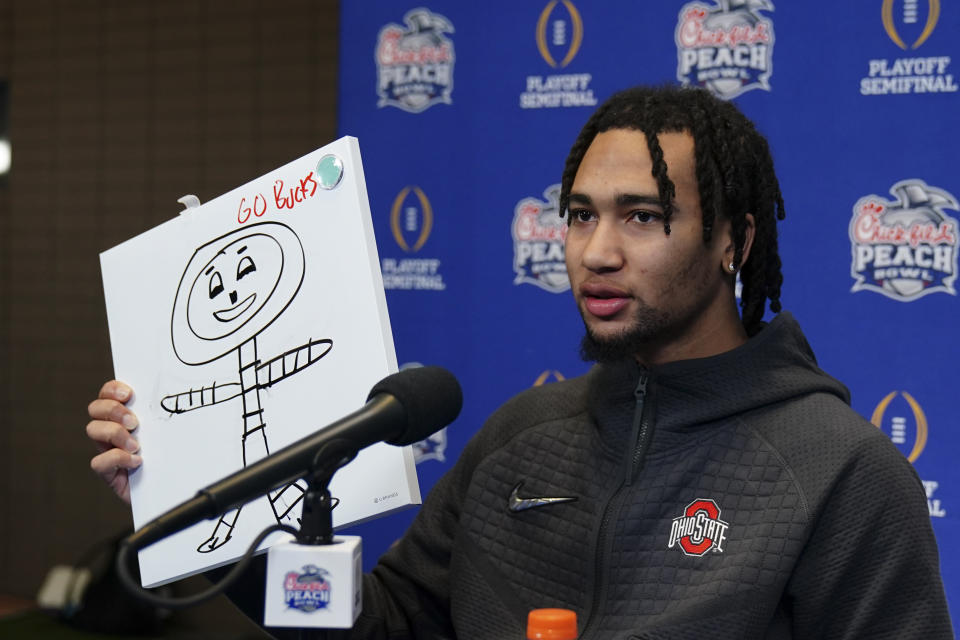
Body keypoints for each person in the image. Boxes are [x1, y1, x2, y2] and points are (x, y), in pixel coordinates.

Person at [87, 85, 953, 639]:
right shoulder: (519, 437)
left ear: (734, 240)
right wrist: (203, 511)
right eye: (579, 216)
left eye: (643, 217)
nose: (596, 252)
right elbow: (381, 627)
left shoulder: (840, 470)